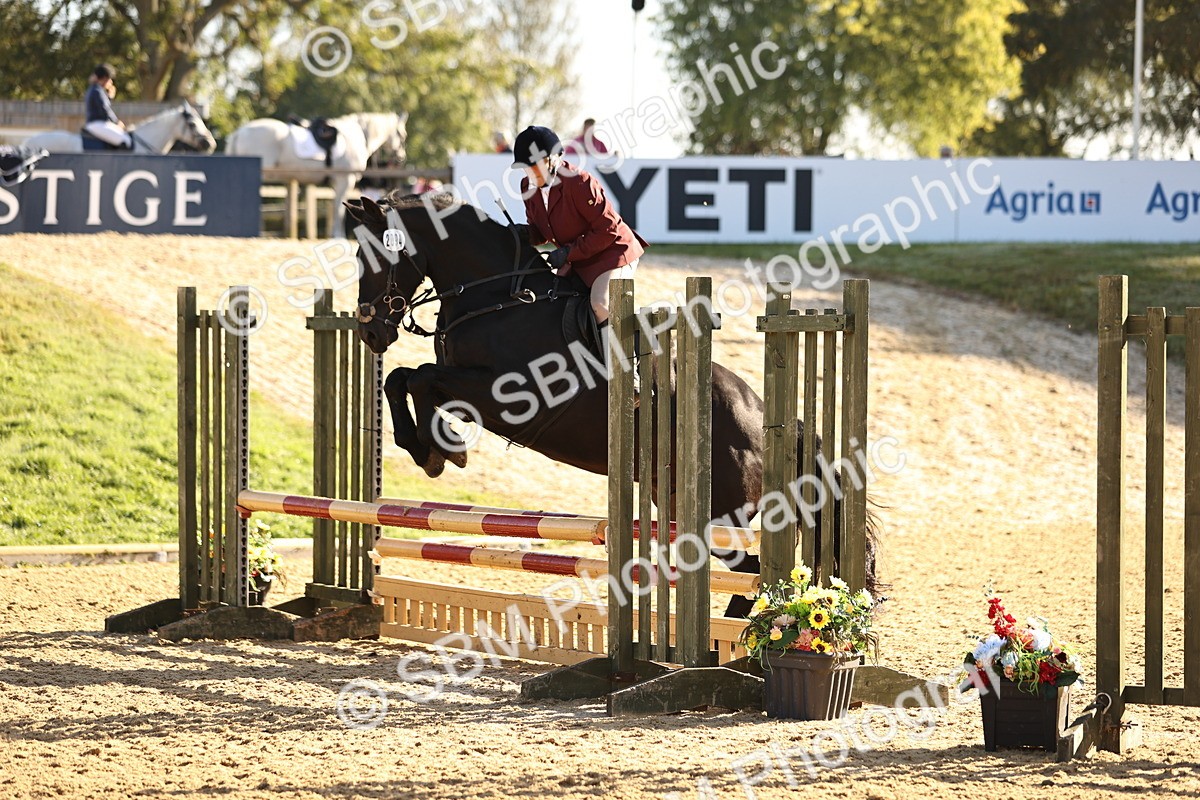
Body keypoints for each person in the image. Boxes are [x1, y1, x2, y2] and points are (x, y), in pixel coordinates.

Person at [510, 125, 646, 325]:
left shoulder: (579, 182)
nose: (530, 173)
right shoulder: (527, 187)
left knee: (600, 304)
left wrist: (567, 253)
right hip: (579, 260)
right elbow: (541, 231)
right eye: (526, 167)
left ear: (553, 159)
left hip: (614, 252)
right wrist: (525, 233)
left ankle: (628, 354)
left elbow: (607, 230)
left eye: (535, 165)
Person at [83, 64, 132, 149]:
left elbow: (102, 106)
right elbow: (105, 110)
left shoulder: (95, 89)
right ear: (105, 78)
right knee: (126, 140)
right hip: (98, 124)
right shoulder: (97, 91)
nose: (111, 82)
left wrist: (109, 97)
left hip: (96, 124)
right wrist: (117, 122)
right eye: (110, 79)